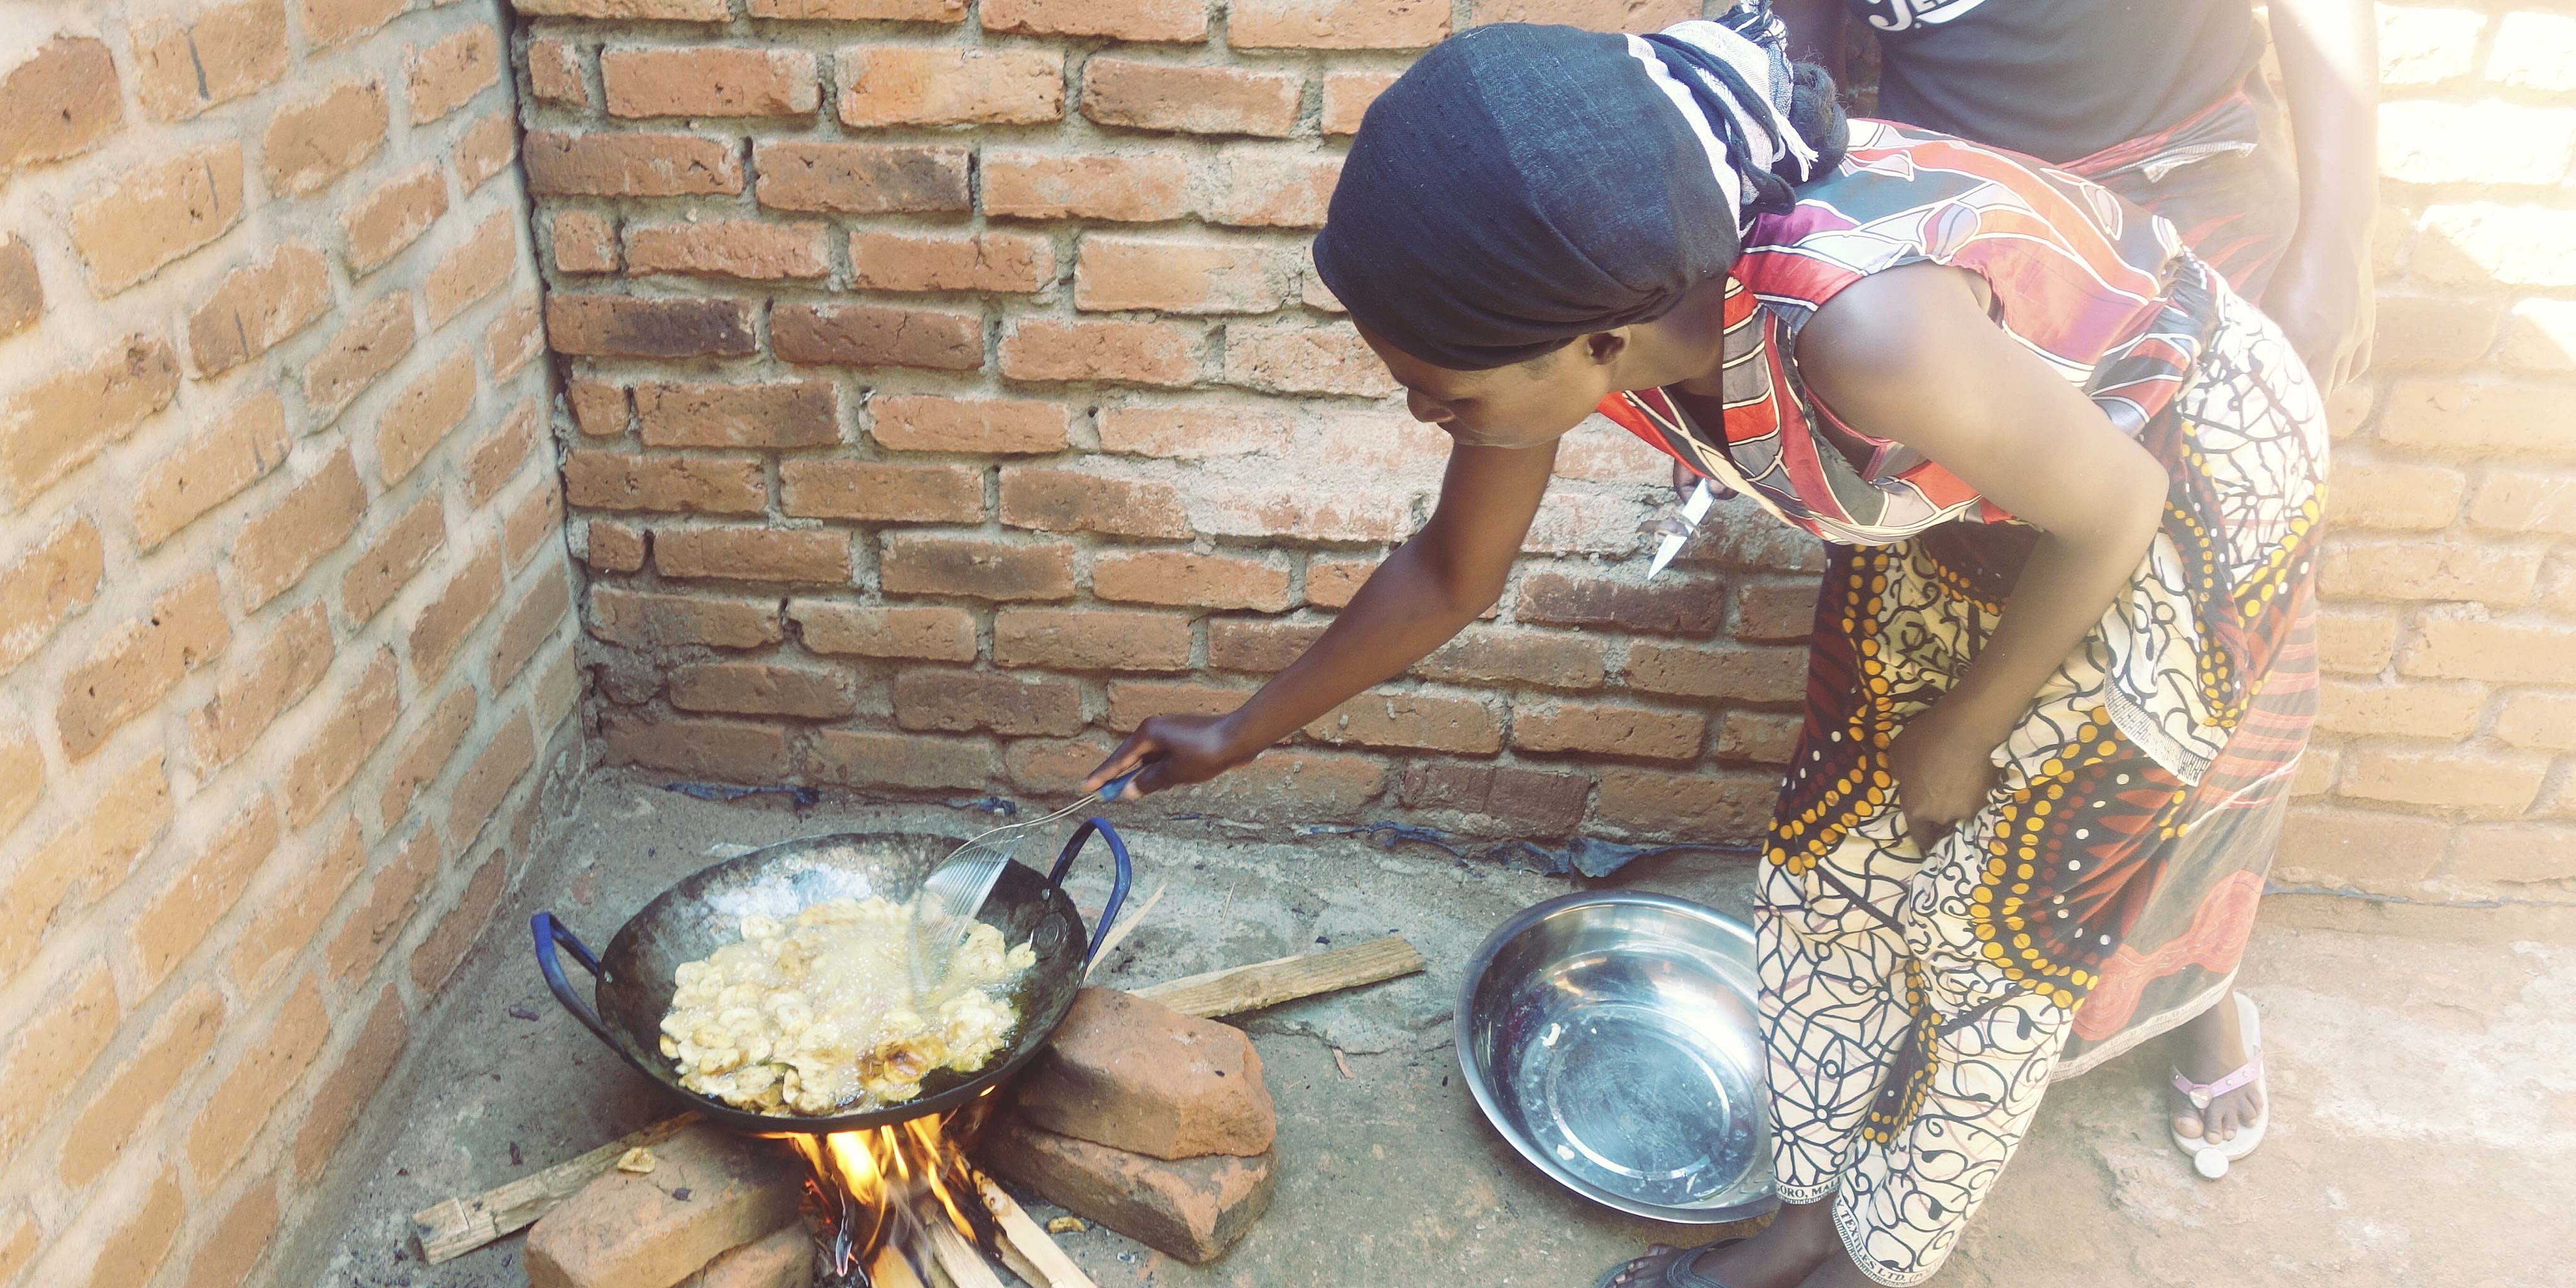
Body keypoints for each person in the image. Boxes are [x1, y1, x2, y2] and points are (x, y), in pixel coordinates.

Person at [1082, 8, 2326, 1286]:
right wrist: (1239, 731)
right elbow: (1451, 572)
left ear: (1600, 345)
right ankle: (1799, 1219)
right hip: (1984, 476)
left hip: (2170, 479)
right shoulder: (1582, 287)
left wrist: (1965, 726)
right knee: (1825, 867)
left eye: (1445, 391)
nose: (1425, 411)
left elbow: (2112, 505)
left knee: (1989, 937)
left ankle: (1870, 1262)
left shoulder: (1865, 335)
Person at [1772, 0, 2373, 1167]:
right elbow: (1798, 35)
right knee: (1931, 649)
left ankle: (2184, 989)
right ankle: (1908, 995)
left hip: (2191, 211)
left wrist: (2339, 240)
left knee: (2183, 680)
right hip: (1966, 249)